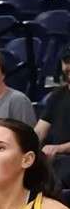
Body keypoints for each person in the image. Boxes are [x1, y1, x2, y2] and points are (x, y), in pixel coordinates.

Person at [34, 48, 70, 179]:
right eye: (67, 62)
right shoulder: (57, 95)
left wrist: (59, 148)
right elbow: (39, 132)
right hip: (58, 162)